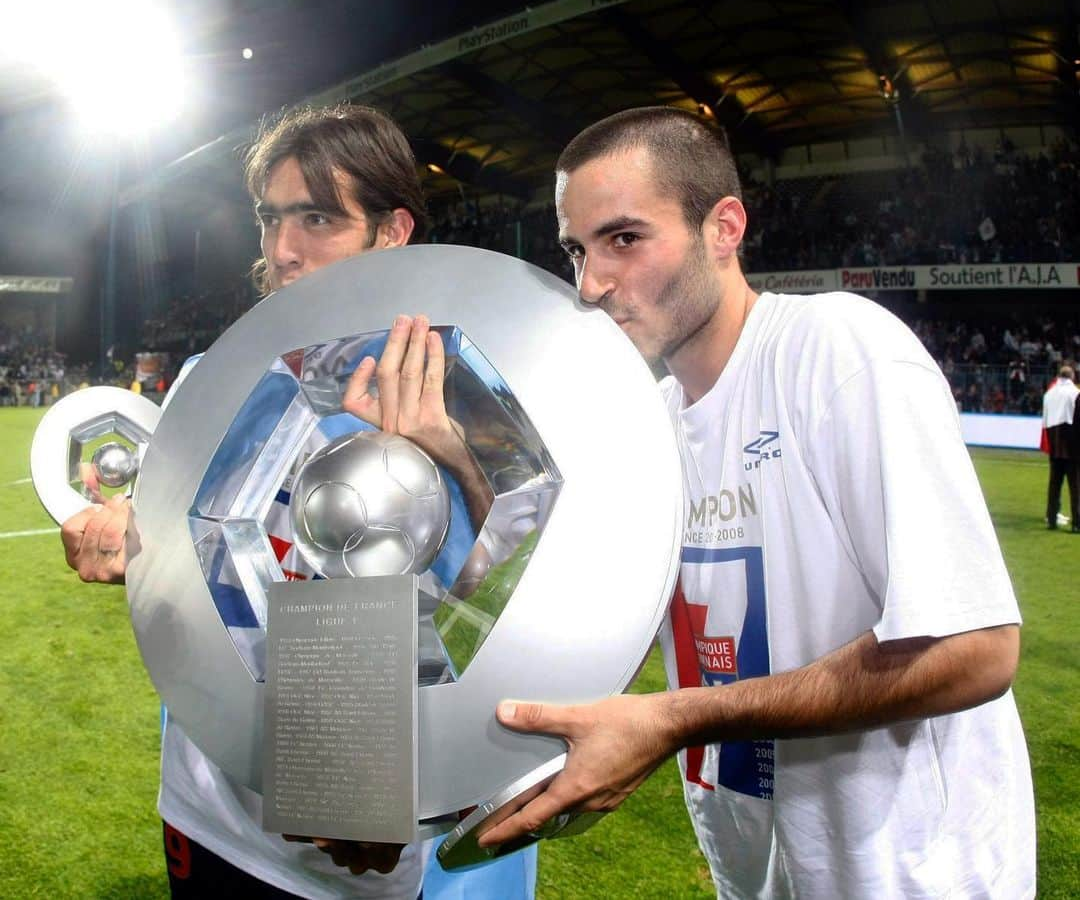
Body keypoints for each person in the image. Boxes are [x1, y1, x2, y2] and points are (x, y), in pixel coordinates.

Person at [480, 107, 1036, 898]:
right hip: (760, 873)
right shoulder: (652, 425)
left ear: (724, 228)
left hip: (909, 874)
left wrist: (677, 719)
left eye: (625, 239)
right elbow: (549, 612)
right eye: (577, 248)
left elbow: (975, 647)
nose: (591, 284)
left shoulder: (839, 349)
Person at [60, 104, 532, 899]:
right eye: (270, 219)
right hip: (207, 802)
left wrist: (447, 457)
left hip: (348, 840)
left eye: (317, 218)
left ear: (391, 233)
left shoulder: (474, 397)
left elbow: (499, 619)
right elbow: (179, 567)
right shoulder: (213, 376)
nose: (283, 251)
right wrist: (122, 539)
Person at [1042, 363, 1079, 531]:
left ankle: (1051, 519)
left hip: (1055, 443)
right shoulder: (1075, 393)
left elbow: (1045, 421)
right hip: (1072, 446)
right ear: (1072, 377)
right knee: (1075, 486)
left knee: (1054, 485)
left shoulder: (1049, 394)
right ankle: (1077, 523)